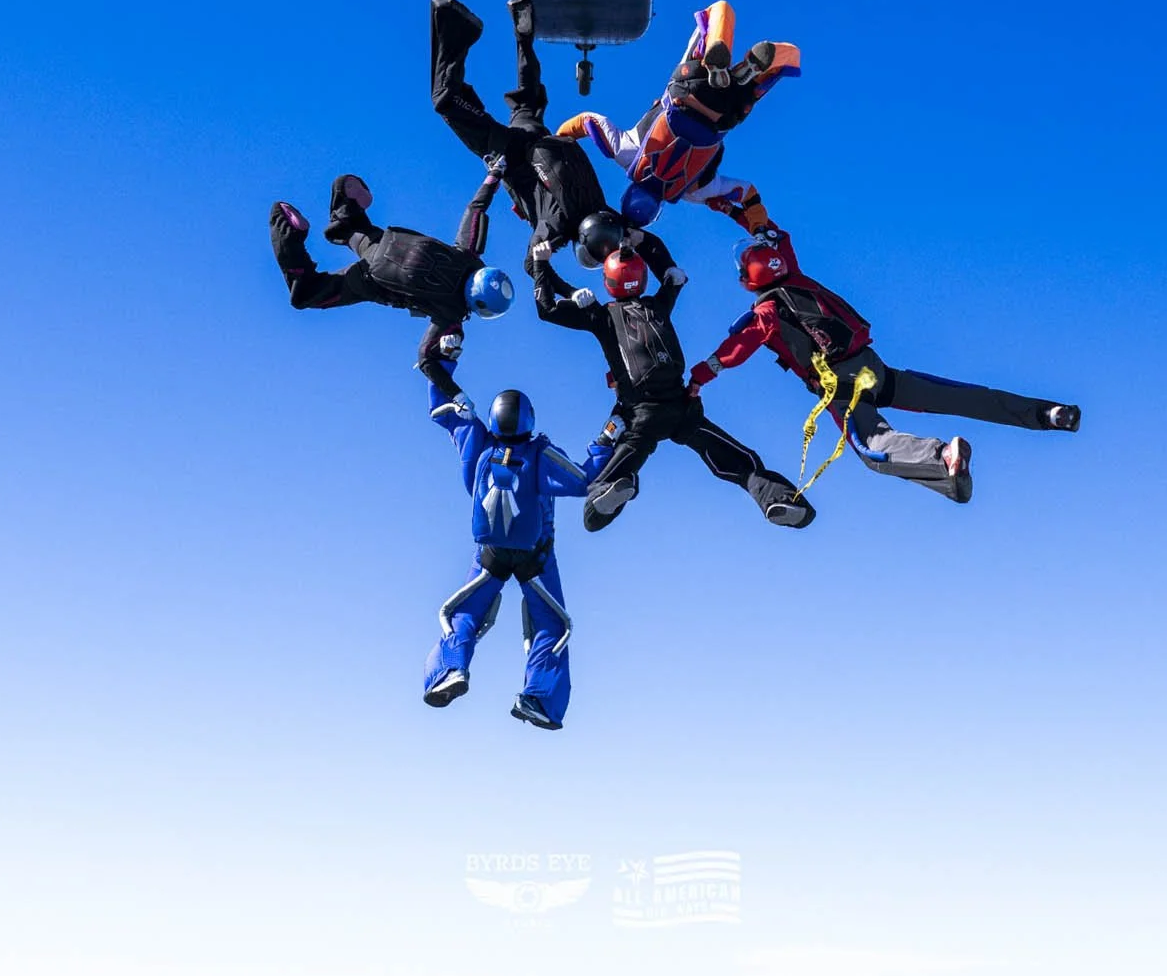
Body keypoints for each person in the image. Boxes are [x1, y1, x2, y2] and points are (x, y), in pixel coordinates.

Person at [687, 227, 1082, 504]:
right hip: (874, 367)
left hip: (843, 386)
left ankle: (941, 456)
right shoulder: (797, 277)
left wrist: (699, 377)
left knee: (874, 450)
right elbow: (779, 237)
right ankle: (1048, 413)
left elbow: (735, 350)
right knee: (959, 396)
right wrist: (741, 208)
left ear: (745, 280)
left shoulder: (766, 311)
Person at [529, 242, 812, 532]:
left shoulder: (600, 316)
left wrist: (541, 264)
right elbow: (674, 277)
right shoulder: (658, 304)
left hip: (641, 415)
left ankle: (611, 488)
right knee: (742, 462)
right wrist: (660, 261)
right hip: (683, 405)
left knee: (608, 480)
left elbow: (546, 308)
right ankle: (780, 498)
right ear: (642, 278)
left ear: (608, 282)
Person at [418, 353, 608, 730]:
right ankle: (539, 698)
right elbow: (585, 479)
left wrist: (447, 361)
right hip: (536, 558)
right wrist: (607, 440)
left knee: (464, 616)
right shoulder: (541, 454)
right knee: (551, 628)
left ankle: (449, 671)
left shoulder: (476, 440)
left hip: (488, 555)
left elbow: (441, 406)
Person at [429, 0, 678, 277]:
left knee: (529, 96)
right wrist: (559, 282)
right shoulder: (556, 228)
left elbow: (652, 244)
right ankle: (454, 22)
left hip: (540, 137)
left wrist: (667, 268)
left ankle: (524, 34)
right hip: (508, 153)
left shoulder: (607, 215)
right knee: (446, 102)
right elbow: (531, 266)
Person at [556, 2, 800, 230]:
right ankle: (718, 48)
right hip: (686, 91)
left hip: (725, 116)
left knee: (771, 75)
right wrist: (556, 142)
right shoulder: (625, 154)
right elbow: (586, 121)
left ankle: (759, 69)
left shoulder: (692, 193)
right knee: (718, 11)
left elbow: (745, 191)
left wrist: (756, 216)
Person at [269, 173, 514, 387]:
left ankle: (344, 201)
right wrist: (457, 395)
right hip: (371, 279)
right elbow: (426, 359)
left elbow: (476, 208)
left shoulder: (468, 254)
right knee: (305, 295)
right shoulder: (452, 313)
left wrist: (494, 175)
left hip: (386, 242)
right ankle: (289, 233)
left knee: (349, 228)